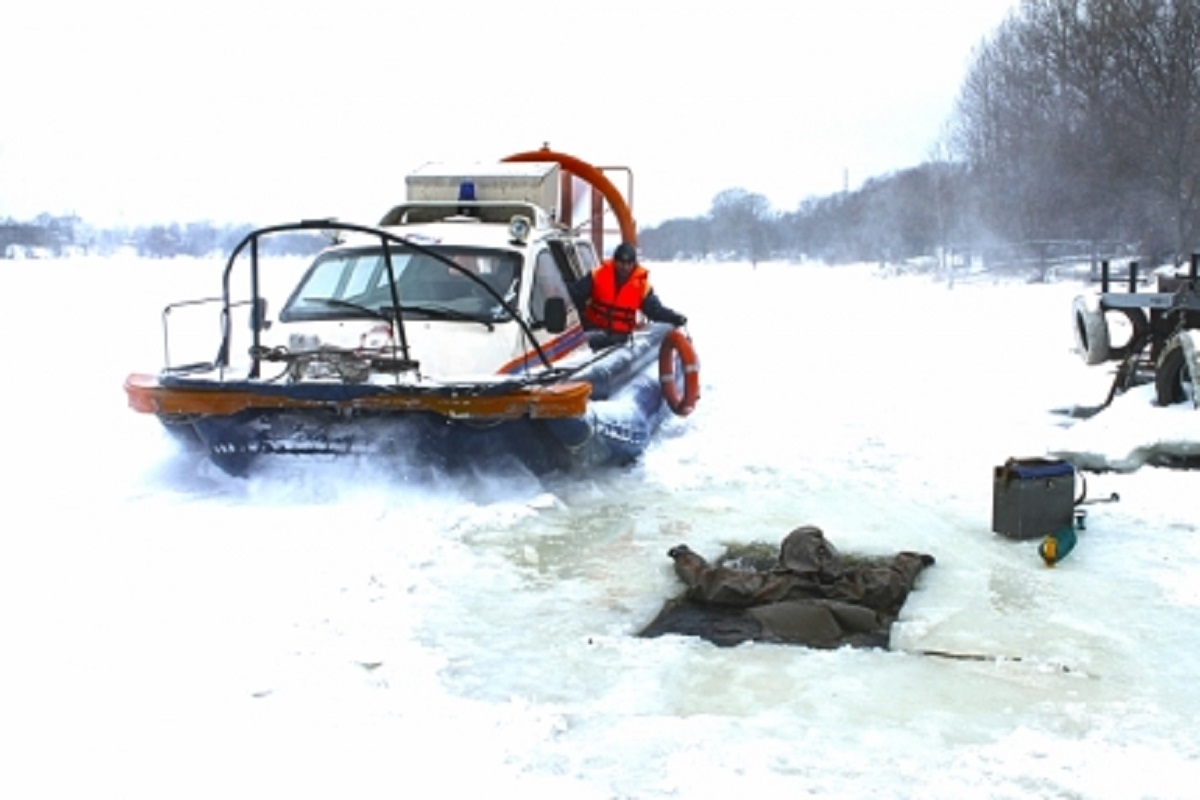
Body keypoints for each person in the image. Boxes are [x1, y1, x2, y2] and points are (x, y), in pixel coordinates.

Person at [639, 525, 936, 649]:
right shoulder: (861, 586)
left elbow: (708, 583)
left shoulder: (768, 586)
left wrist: (684, 556)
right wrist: (914, 559)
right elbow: (897, 577)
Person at [569, 242, 687, 342]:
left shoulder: (641, 286)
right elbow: (576, 293)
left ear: (634, 264)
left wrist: (674, 317)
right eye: (621, 262)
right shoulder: (598, 275)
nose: (624, 267)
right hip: (593, 330)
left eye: (628, 263)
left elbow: (655, 310)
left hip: (620, 338)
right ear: (615, 261)